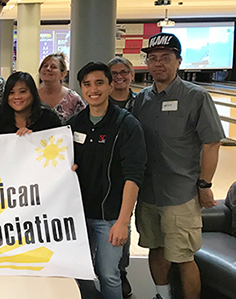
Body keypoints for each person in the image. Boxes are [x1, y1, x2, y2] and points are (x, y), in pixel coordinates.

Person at [132, 32, 225, 299]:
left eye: (166, 58)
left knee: (183, 256)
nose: (158, 63)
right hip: (148, 192)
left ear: (179, 61)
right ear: (147, 63)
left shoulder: (196, 96)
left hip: (181, 193)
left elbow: (212, 143)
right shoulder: (142, 100)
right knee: (156, 248)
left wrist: (205, 184)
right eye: (153, 58)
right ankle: (162, 295)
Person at [67, 62, 147, 299]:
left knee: (108, 273)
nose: (94, 89)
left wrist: (123, 221)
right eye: (87, 84)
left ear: (111, 86)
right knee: (78, 272)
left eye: (100, 83)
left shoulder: (127, 124)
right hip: (78, 216)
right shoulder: (73, 124)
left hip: (109, 217)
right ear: (81, 88)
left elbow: (133, 176)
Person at [107, 56, 137, 298]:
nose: (119, 77)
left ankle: (121, 272)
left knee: (122, 225)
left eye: (124, 72)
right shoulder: (91, 110)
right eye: (114, 73)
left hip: (130, 177)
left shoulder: (143, 104)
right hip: (102, 184)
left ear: (132, 75)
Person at [0, 71, 61, 136]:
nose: (17, 97)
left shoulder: (49, 119)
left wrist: (33, 138)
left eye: (22, 92)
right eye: (11, 93)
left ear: (33, 93)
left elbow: (60, 145)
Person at [37, 53, 85, 123]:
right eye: (45, 66)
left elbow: (83, 122)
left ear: (62, 74)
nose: (48, 69)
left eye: (53, 67)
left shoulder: (73, 99)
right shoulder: (31, 96)